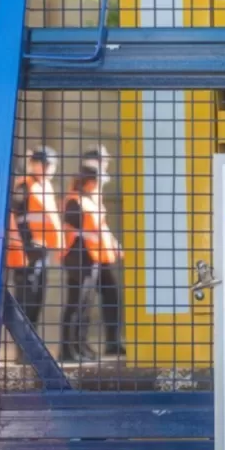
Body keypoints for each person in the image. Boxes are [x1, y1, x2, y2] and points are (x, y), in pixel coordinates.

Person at [59, 146, 126, 362]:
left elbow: (100, 226)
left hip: (94, 256)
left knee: (92, 301)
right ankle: (69, 349)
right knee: (77, 303)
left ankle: (83, 346)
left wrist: (112, 244)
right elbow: (78, 225)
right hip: (80, 256)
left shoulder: (91, 196)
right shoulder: (77, 199)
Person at [8, 146, 64, 360]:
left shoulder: (44, 186)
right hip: (26, 253)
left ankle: (29, 348)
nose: (51, 168)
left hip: (40, 252)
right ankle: (22, 350)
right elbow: (19, 219)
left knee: (36, 299)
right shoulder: (25, 185)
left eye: (53, 164)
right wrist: (30, 244)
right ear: (36, 164)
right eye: (48, 164)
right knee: (26, 301)